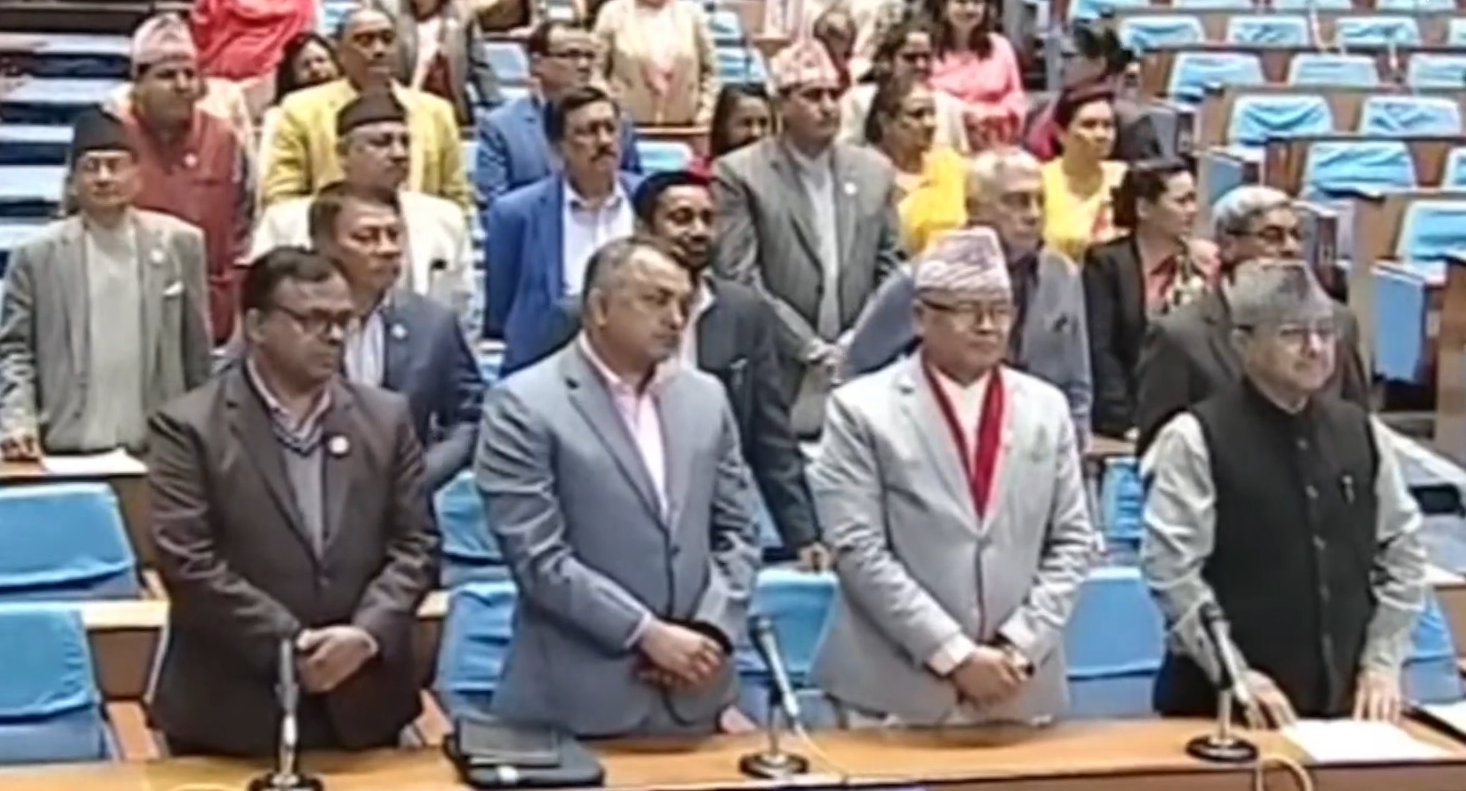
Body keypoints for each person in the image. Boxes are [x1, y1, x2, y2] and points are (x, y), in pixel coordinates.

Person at [147, 247, 439, 756]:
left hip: (364, 705)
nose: (334, 335)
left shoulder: (386, 419)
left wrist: (364, 636)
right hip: (231, 712)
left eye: (343, 320)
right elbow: (188, 563)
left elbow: (416, 547)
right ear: (256, 326)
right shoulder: (189, 427)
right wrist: (294, 643)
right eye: (312, 320)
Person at [811, 228, 1100, 727]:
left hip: (1016, 685)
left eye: (1001, 311)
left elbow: (1073, 541)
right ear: (920, 317)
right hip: (894, 692)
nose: (988, 326)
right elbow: (858, 549)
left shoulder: (1046, 408)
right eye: (968, 310)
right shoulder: (861, 409)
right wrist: (954, 654)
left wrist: (1019, 644)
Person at [477, 236, 762, 737]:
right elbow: (539, 559)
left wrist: (708, 631)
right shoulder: (523, 405)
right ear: (599, 309)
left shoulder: (706, 397)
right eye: (656, 301)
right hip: (575, 704)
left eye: (684, 303)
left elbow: (738, 531)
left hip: (694, 694)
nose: (675, 319)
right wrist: (647, 634)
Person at [1142, 261, 1425, 726]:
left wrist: (1382, 663)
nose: (1315, 348)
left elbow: (1403, 555)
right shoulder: (1195, 438)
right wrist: (1237, 675)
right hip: (1222, 710)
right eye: (1293, 334)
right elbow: (1172, 573)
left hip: (1349, 711)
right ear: (1243, 344)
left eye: (1325, 332)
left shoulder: (1361, 432)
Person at [524, 171, 826, 568]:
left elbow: (770, 435)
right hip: (602, 526)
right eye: (681, 218)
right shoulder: (582, 315)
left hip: (709, 522)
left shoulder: (744, 312)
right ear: (643, 229)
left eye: (708, 219)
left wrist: (803, 534)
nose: (698, 231)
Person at [713, 39, 903, 437]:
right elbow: (739, 277)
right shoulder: (740, 174)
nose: (828, 106)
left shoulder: (875, 171)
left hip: (861, 369)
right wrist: (808, 347)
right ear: (781, 105)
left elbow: (891, 267)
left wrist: (860, 340)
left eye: (834, 94)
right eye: (813, 96)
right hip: (779, 368)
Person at [0, 108, 212, 460]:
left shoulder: (180, 244)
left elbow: (197, 352)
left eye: (114, 166)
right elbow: (13, 351)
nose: (103, 178)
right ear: (72, 182)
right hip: (66, 445)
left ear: (137, 175)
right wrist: (17, 422)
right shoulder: (36, 255)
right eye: (91, 167)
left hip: (158, 448)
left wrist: (203, 435)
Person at [842, 147, 1092, 440]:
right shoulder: (925, 277)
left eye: (1040, 201)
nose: (1033, 214)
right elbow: (859, 366)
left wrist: (1074, 449)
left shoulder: (1062, 275)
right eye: (1017, 202)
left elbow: (1077, 386)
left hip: (1035, 445)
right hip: (939, 442)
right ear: (974, 209)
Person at [1134, 186, 1369, 455]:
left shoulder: (1338, 322)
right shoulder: (1180, 337)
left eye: (1297, 235)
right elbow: (1158, 451)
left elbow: (1356, 427)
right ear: (1228, 245)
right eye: (1272, 236)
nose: (1290, 248)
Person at [308, 183, 484, 492]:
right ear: (324, 245)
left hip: (407, 502)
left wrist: (422, 475)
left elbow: (468, 418)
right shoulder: (290, 321)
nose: (388, 249)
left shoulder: (432, 323)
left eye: (394, 234)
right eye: (366, 237)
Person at [252, 92, 473, 317]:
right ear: (343, 153)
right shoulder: (285, 222)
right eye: (381, 142)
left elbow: (462, 308)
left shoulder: (445, 219)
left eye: (405, 142)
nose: (399, 154)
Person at [484, 86, 642, 372]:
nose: (604, 141)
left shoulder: (648, 200)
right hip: (546, 365)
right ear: (558, 147)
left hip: (638, 357)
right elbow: (501, 309)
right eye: (588, 132)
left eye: (611, 128)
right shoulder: (516, 213)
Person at [121, 13, 254, 345]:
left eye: (190, 74)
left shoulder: (224, 138)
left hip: (209, 305)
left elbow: (245, 221)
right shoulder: (111, 136)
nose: (182, 85)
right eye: (167, 75)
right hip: (126, 302)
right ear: (138, 84)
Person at [264, 2, 471, 210]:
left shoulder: (437, 112)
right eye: (364, 41)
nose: (379, 50)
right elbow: (282, 198)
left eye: (388, 39)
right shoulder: (302, 110)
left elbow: (456, 198)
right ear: (340, 52)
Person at [1084, 159, 1217, 440]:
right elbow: (1101, 349)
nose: (1192, 210)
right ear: (1144, 208)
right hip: (1127, 418)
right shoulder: (1106, 264)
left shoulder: (1204, 264)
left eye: (1193, 199)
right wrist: (1124, 421)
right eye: (1181, 201)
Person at [475, 20, 643, 211]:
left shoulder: (617, 122)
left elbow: (635, 190)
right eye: (571, 55)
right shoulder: (502, 126)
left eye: (589, 56)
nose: (584, 65)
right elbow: (494, 207)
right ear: (536, 63)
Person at [1023, 24, 1159, 163]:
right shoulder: (1040, 109)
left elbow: (1148, 172)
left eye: (1069, 57)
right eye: (1060, 57)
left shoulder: (1129, 121)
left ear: (1099, 64)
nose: (1060, 66)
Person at [865, 72, 966, 255]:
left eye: (932, 114)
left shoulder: (949, 164)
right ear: (885, 121)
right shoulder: (867, 174)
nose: (930, 123)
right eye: (917, 115)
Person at [838, 16, 968, 155]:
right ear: (888, 61)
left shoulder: (949, 107)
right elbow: (844, 151)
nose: (921, 65)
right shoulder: (859, 100)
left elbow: (961, 157)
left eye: (926, 56)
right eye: (910, 57)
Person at [593, 0, 719, 126]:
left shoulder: (692, 13)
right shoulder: (613, 13)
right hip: (627, 127)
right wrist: (610, 112)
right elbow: (595, 71)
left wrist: (705, 112)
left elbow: (711, 71)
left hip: (687, 125)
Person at [1040, 83, 1125, 263]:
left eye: (1108, 125)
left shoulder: (1124, 178)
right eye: (1089, 125)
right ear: (1060, 133)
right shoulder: (1039, 182)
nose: (1101, 135)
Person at [923, 0, 1024, 149]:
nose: (970, 9)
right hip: (939, 142)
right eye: (961, 2)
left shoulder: (1001, 47)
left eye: (977, 2)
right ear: (943, 5)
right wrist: (957, 113)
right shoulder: (926, 50)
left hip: (991, 141)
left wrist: (986, 114)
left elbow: (1015, 100)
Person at [389, 0, 502, 123]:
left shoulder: (463, 15)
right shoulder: (391, 15)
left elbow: (480, 66)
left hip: (453, 111)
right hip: (405, 111)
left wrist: (496, 110)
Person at [258, 33, 343, 182]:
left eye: (321, 60)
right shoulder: (279, 115)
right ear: (292, 75)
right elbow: (268, 169)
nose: (315, 69)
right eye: (305, 65)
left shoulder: (355, 103)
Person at [692, 84, 774, 176]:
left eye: (763, 123)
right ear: (722, 127)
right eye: (746, 123)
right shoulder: (697, 178)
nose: (756, 132)